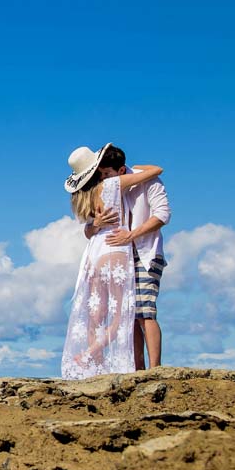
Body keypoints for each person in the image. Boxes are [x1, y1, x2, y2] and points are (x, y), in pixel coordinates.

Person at [61, 144, 163, 379]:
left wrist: (95, 223)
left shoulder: (81, 197)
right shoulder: (110, 184)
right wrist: (137, 168)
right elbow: (156, 170)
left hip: (93, 255)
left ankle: (95, 366)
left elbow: (88, 231)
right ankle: (89, 354)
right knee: (121, 315)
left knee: (96, 314)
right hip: (115, 250)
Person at [85, 145, 171, 369]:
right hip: (120, 258)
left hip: (145, 253)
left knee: (145, 311)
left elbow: (162, 215)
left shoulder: (149, 183)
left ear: (121, 170)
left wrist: (131, 236)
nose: (103, 179)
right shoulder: (108, 190)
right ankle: (138, 368)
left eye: (106, 174)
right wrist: (96, 224)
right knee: (130, 315)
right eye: (100, 175)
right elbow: (88, 228)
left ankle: (155, 368)